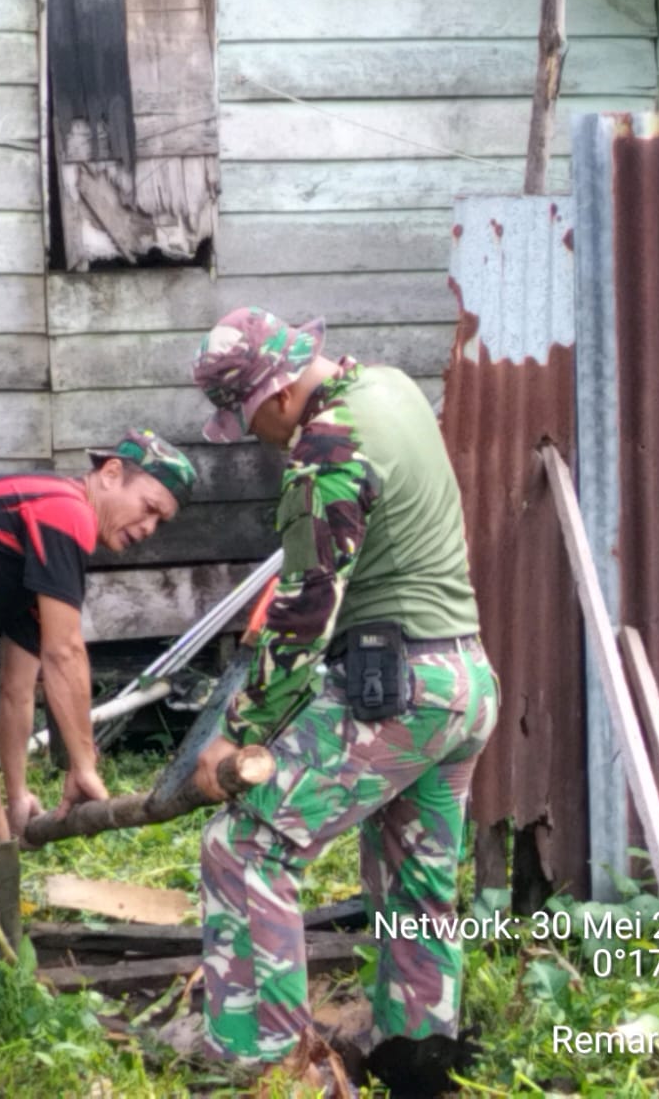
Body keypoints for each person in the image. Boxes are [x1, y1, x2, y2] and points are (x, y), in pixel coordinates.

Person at [187, 307, 500, 1080]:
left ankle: (274, 1072)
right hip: (463, 681)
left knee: (245, 847)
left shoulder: (326, 446)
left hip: (401, 692)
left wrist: (238, 734)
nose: (254, 435)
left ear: (278, 392)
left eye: (246, 415)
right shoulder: (391, 389)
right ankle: (419, 1062)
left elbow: (302, 614)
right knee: (413, 874)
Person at [0, 429, 197, 841]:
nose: (148, 528)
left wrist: (18, 794)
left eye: (158, 522)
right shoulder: (63, 507)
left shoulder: (46, 563)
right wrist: (84, 765)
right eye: (148, 508)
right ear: (110, 473)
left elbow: (18, 691)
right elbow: (64, 652)